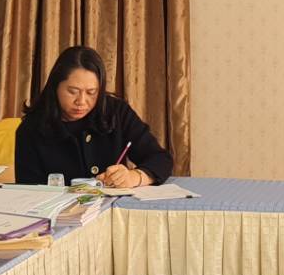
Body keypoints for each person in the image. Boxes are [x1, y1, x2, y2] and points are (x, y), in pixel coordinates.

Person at [14, 46, 173, 187]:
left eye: (91, 92)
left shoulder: (116, 112)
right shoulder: (31, 129)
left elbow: (160, 158)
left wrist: (135, 177)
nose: (81, 101)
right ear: (55, 86)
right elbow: (29, 190)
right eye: (72, 91)